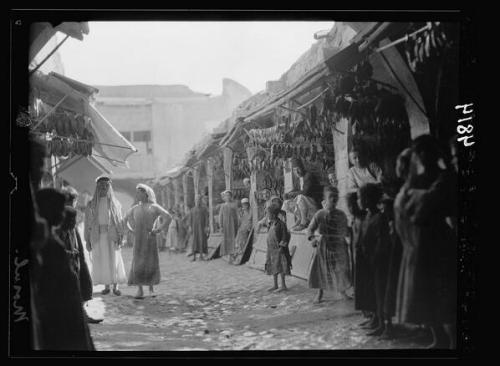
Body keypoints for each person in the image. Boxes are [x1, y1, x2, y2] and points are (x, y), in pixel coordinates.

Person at [394, 135, 457, 349]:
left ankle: (450, 342)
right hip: (420, 245)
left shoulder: (442, 178)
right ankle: (438, 339)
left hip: (438, 245)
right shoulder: (421, 181)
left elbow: (424, 211)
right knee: (429, 298)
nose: (420, 157)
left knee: (444, 300)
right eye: (418, 153)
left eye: (422, 152)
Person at [32, 188, 94, 350]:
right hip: (58, 308)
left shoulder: (50, 239)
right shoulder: (46, 242)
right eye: (59, 210)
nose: (62, 214)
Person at [379, 148, 412, 339]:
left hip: (401, 244)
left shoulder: (405, 194)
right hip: (395, 244)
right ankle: (390, 324)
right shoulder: (395, 199)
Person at [61, 187, 102, 324]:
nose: (74, 203)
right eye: (73, 200)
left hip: (75, 255)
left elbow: (75, 237)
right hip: (66, 259)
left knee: (82, 282)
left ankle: (82, 314)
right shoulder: (60, 215)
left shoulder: (70, 214)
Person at [124, 184, 172, 299]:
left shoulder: (154, 207)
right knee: (138, 262)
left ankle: (151, 289)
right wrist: (130, 231)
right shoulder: (135, 208)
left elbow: (168, 217)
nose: (137, 195)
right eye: (137, 193)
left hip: (150, 238)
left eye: (140, 192)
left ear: (146, 194)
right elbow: (124, 220)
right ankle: (139, 290)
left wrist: (158, 229)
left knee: (150, 262)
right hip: (138, 239)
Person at [306, 186, 352, 304]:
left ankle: (342, 292)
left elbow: (345, 230)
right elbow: (310, 229)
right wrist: (312, 239)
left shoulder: (341, 214)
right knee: (321, 269)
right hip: (323, 246)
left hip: (338, 246)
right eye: (330, 197)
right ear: (325, 199)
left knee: (340, 269)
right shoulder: (320, 214)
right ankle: (320, 292)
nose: (333, 199)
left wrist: (350, 234)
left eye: (335, 197)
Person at [84, 175, 127, 296]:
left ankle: (115, 286)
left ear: (109, 187)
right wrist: (87, 240)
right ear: (97, 187)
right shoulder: (91, 205)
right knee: (102, 259)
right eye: (101, 186)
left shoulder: (115, 204)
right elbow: (88, 223)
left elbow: (119, 220)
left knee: (114, 259)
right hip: (98, 236)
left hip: (112, 235)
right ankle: (106, 286)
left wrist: (121, 236)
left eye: (106, 185)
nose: (104, 188)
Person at [284, 158, 323, 231]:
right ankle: (299, 219)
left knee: (301, 197)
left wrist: (292, 194)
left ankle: (304, 222)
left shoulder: (309, 176)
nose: (297, 172)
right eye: (295, 170)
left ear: (302, 168)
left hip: (314, 204)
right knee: (287, 202)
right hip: (306, 205)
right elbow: (296, 189)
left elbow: (306, 192)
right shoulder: (298, 179)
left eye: (298, 169)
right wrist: (288, 194)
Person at [264, 204, 292, 292]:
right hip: (271, 249)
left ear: (273, 214)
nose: (267, 215)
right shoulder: (270, 224)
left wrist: (281, 247)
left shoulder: (281, 224)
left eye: (268, 213)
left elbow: (285, 237)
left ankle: (283, 285)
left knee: (281, 266)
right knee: (273, 266)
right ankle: (275, 285)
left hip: (279, 249)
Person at [218, 190, 239, 263]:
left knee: (233, 239)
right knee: (227, 239)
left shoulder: (234, 204)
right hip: (226, 225)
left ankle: (232, 254)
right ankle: (229, 256)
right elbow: (220, 216)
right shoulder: (223, 205)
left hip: (233, 224)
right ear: (224, 197)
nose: (228, 197)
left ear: (231, 196)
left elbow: (237, 215)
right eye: (226, 195)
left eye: (229, 195)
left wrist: (238, 224)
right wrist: (221, 226)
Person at [189, 195, 210, 262]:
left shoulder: (204, 209)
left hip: (202, 227)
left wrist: (206, 226)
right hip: (194, 228)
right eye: (196, 200)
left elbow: (207, 218)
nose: (197, 201)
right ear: (195, 201)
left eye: (199, 200)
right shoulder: (192, 210)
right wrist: (190, 227)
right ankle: (194, 257)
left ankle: (201, 256)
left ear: (200, 201)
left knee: (202, 241)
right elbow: (190, 219)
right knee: (194, 241)